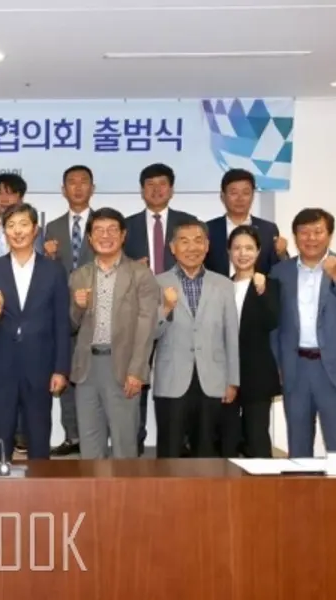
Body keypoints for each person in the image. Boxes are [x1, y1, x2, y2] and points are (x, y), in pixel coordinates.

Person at [0, 203, 70, 461]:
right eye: (10, 226)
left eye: (23, 224)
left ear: (35, 229)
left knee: (39, 437)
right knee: (0, 438)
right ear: (4, 232)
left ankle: (41, 485)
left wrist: (61, 369)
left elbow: (61, 323)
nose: (17, 231)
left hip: (39, 365)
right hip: (1, 365)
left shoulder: (53, 270)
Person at [68, 208, 159, 459]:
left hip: (123, 367)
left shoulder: (140, 274)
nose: (105, 236)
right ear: (89, 237)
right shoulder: (79, 275)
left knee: (124, 444)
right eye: (98, 230)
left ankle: (125, 488)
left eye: (111, 230)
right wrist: (78, 306)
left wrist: (137, 370)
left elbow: (147, 325)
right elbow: (71, 325)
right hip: (87, 369)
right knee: (89, 445)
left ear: (123, 235)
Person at [124, 163, 197, 455]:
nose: (156, 190)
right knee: (137, 376)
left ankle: (182, 439)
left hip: (180, 313)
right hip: (138, 315)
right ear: (142, 190)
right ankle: (135, 438)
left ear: (172, 189)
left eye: (162, 184)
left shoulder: (188, 223)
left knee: (181, 375)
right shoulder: (126, 226)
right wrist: (132, 269)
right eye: (150, 185)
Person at [153, 219, 239, 458]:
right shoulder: (157, 283)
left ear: (207, 246)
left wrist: (233, 380)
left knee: (207, 453)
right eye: (184, 241)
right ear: (173, 248)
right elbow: (149, 334)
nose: (192, 247)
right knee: (169, 453)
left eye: (198, 241)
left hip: (213, 379)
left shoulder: (223, 284)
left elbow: (231, 334)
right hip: (172, 379)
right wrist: (165, 309)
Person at [270, 208, 336, 457]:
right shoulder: (281, 272)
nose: (311, 238)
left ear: (329, 235)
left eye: (318, 231)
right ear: (295, 236)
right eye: (304, 232)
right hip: (296, 369)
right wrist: (278, 363)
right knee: (298, 448)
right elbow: (274, 324)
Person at [43, 165, 96, 457]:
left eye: (83, 182)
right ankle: (72, 435)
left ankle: (95, 437)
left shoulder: (104, 224)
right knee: (64, 372)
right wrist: (49, 257)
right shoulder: (52, 227)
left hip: (98, 315)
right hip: (63, 314)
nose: (77, 187)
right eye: (71, 183)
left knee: (94, 378)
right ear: (63, 190)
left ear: (92, 188)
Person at [220, 225, 280, 458]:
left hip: (257, 374)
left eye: (249, 248)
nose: (243, 253)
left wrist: (262, 290)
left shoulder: (271, 285)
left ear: (258, 251)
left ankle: (264, 482)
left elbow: (273, 321)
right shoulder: (220, 286)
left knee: (257, 438)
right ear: (229, 252)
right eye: (237, 248)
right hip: (225, 375)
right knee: (226, 439)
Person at [205, 168, 288, 277]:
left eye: (246, 193)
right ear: (222, 196)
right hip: (218, 287)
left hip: (257, 287)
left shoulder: (268, 230)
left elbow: (279, 270)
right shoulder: (208, 229)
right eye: (234, 193)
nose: (240, 198)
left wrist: (282, 254)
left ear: (253, 196)